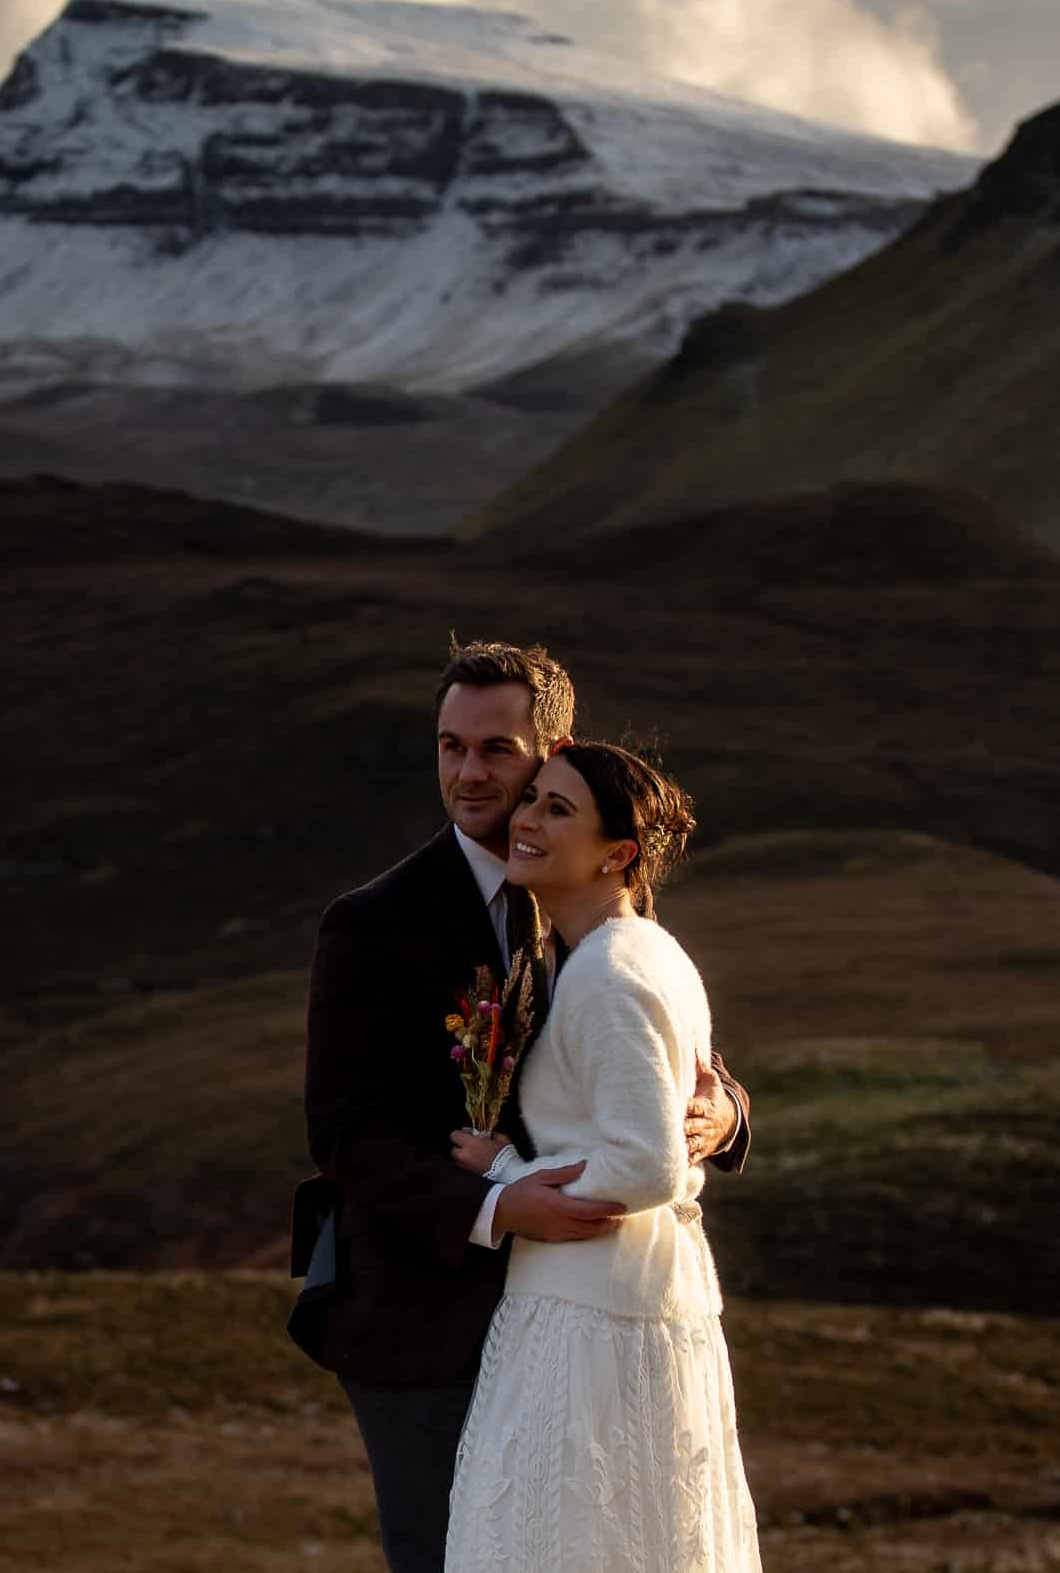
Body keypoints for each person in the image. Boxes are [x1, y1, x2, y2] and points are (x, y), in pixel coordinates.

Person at [294, 641, 750, 1573]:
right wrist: (498, 1202)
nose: (468, 772)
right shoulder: (371, 923)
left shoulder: (588, 896)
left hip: (574, 1319)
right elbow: (346, 1132)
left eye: (497, 749)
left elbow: (650, 1045)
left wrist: (726, 1113)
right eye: (449, 746)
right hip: (420, 1312)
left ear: (554, 747)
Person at [441, 741, 760, 1571]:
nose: (527, 819)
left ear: (618, 855)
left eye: (558, 809)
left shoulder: (612, 971)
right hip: (624, 1302)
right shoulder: (624, 950)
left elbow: (649, 1161)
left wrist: (507, 1174)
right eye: (533, 798)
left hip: (591, 1321)